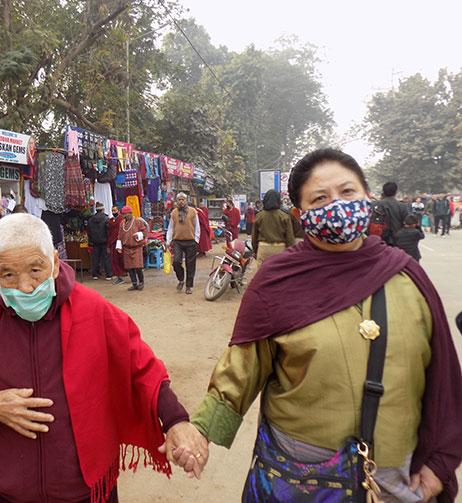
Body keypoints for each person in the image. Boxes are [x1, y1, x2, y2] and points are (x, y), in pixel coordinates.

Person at [167, 148, 462, 502]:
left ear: (367, 197)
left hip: (397, 484)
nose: (337, 204)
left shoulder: (407, 275)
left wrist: (440, 465)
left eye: (347, 192)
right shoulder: (278, 281)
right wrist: (200, 430)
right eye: (320, 198)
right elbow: (241, 369)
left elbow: (442, 377)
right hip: (299, 482)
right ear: (301, 214)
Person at [0, 214, 199, 502]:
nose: (25, 287)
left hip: (85, 490)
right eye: (8, 275)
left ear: (54, 262)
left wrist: (177, 420)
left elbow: (141, 369)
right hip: (9, 490)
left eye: (35, 270)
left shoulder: (93, 310)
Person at [166, 193, 200, 295]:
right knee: (176, 262)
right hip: (177, 241)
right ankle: (181, 279)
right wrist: (168, 241)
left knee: (190, 264)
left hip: (190, 241)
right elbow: (171, 227)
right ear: (177, 201)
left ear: (186, 200)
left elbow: (197, 226)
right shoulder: (174, 212)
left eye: (183, 199)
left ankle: (189, 286)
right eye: (179, 199)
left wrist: (196, 240)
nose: (181, 201)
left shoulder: (193, 211)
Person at [251, 190, 295, 267]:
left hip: (263, 248)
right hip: (280, 249)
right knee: (280, 274)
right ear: (279, 201)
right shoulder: (285, 216)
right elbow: (290, 237)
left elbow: (254, 236)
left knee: (263, 275)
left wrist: (255, 250)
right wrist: (290, 253)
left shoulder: (259, 216)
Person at [117, 206, 148, 291]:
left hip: (137, 247)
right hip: (126, 248)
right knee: (130, 267)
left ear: (130, 213)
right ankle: (134, 284)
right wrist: (119, 247)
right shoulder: (122, 223)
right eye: (123, 214)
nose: (124, 216)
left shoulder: (138, 221)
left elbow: (144, 232)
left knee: (138, 267)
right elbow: (119, 235)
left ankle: (141, 282)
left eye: (125, 214)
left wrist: (138, 235)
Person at [87, 202, 113, 281]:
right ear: (103, 209)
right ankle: (108, 274)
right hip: (104, 241)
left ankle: (95, 274)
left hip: (94, 241)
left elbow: (89, 231)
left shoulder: (91, 219)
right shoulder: (106, 218)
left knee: (95, 258)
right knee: (106, 258)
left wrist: (90, 240)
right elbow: (108, 230)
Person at [108, 206, 126, 285]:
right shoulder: (111, 220)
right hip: (112, 242)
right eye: (112, 210)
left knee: (120, 259)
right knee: (114, 260)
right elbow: (109, 232)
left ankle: (122, 276)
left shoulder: (121, 219)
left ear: (118, 211)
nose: (113, 212)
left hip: (119, 242)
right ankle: (119, 276)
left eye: (115, 210)